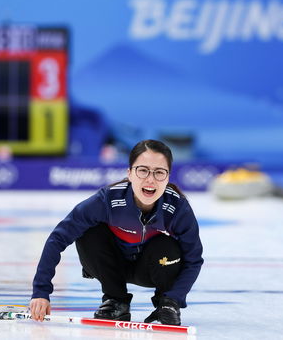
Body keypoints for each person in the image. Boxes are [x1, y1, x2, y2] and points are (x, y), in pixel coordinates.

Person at [29, 139, 203, 325]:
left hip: (150, 268)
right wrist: (41, 292)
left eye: (159, 172)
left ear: (168, 177)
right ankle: (116, 301)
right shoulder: (108, 200)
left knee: (168, 246)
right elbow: (58, 238)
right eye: (142, 170)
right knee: (89, 232)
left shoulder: (176, 207)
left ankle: (164, 305)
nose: (150, 179)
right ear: (129, 173)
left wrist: (173, 299)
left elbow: (193, 260)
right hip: (109, 266)